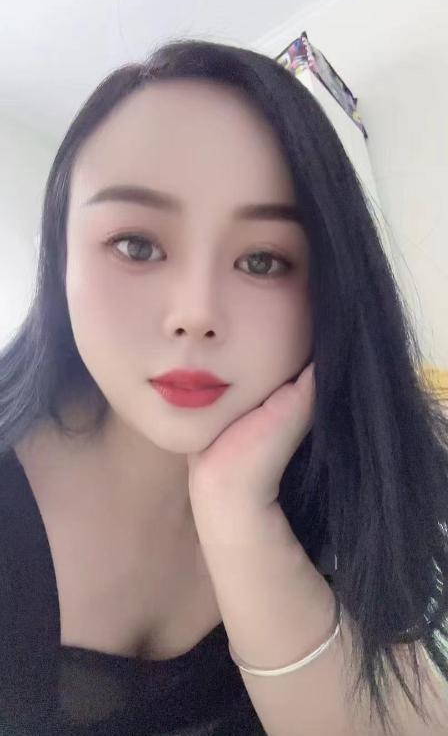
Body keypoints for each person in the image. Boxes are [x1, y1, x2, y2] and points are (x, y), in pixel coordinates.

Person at [0, 37, 447, 736]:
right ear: (58, 259)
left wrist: (239, 514)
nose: (196, 313)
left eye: (263, 260)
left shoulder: (356, 480)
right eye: (137, 245)